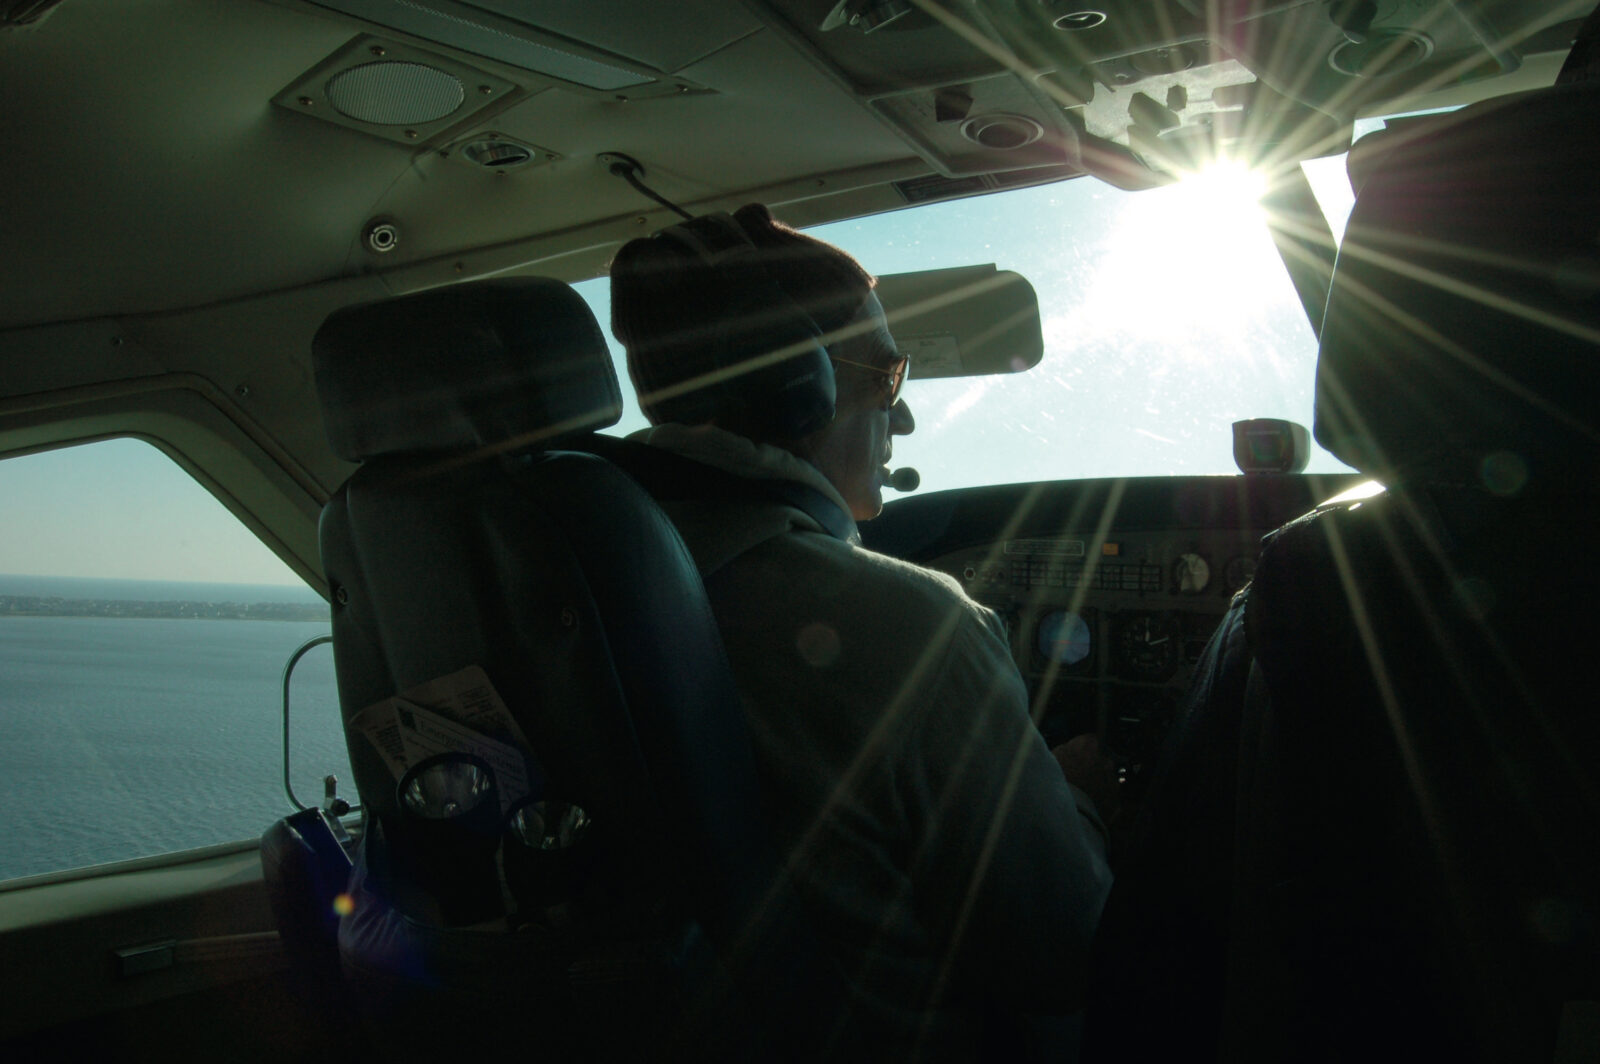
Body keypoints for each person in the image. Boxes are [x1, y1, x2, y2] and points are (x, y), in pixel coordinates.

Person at [609, 203, 1114, 1059]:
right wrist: (1078, 801)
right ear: (793, 384)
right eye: (885, 376)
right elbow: (1069, 951)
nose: (904, 416)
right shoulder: (913, 623)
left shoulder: (572, 581)